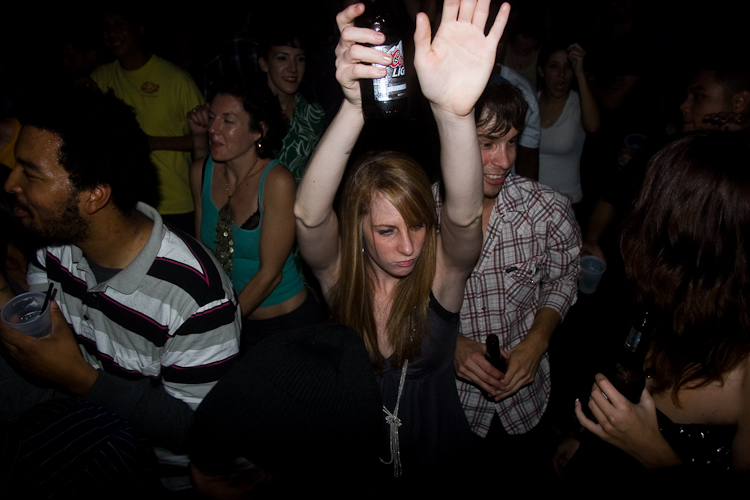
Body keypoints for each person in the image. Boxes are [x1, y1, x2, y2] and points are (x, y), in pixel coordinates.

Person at [294, 0, 510, 485]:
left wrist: (454, 115)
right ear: (359, 230)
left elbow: (463, 217)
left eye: (418, 226)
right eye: (387, 231)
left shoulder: (440, 277)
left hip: (441, 465)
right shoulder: (340, 277)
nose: (410, 247)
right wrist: (355, 107)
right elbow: (308, 217)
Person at [0, 88, 241, 490]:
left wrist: (81, 378)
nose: (10, 183)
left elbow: (199, 432)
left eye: (30, 173)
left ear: (94, 195)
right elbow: (40, 349)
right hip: (79, 449)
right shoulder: (51, 250)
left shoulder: (196, 299)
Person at [572, 131, 750, 482]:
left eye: (651, 208)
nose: (635, 221)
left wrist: (653, 453)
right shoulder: (664, 299)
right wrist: (586, 439)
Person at [445, 82, 580, 487]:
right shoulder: (422, 213)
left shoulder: (548, 210)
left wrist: (538, 341)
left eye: (512, 142)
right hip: (452, 404)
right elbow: (398, 301)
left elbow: (564, 275)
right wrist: (450, 345)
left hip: (527, 403)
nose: (503, 160)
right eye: (487, 143)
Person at [188, 82, 319, 351]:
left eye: (228, 121)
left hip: (286, 324)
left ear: (258, 130)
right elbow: (203, 254)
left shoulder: (276, 182)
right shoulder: (201, 172)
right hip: (235, 322)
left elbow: (270, 275)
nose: (213, 129)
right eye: (212, 118)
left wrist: (221, 324)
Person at [90, 9, 205, 233]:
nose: (112, 32)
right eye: (106, 26)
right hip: (123, 203)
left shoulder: (175, 78)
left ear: (139, 29)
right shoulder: (99, 79)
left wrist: (153, 142)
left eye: (119, 23)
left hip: (175, 204)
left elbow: (208, 137)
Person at [537, 40, 600, 214]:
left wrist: (580, 73)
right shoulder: (531, 101)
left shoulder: (578, 103)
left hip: (568, 203)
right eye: (554, 66)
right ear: (541, 70)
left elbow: (594, 126)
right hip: (533, 202)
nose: (562, 74)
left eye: (568, 67)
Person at [259, 29, 326, 183]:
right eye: (282, 58)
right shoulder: (247, 111)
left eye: (300, 59)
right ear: (264, 64)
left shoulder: (313, 114)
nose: (293, 68)